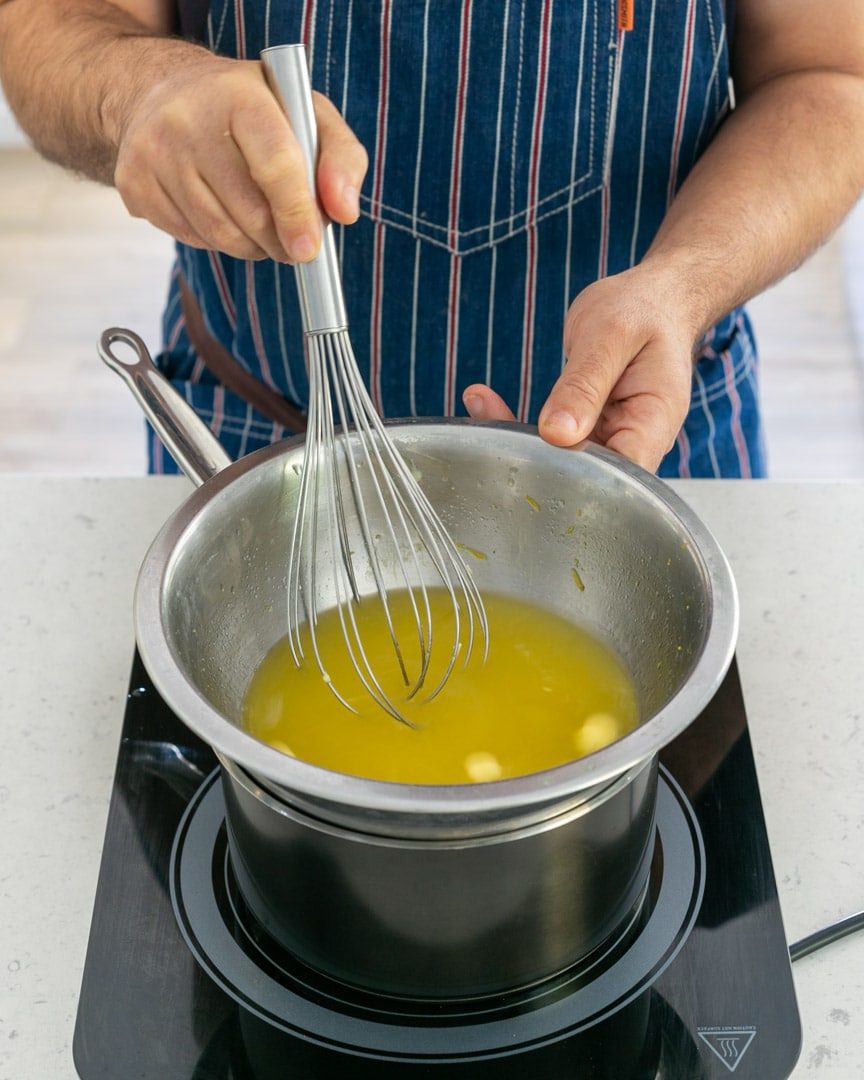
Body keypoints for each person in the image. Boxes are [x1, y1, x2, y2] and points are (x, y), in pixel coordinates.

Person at [1, 0, 863, 478]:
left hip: (647, 442)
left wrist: (682, 283)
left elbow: (830, 75)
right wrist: (140, 89)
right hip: (255, 449)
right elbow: (53, 22)